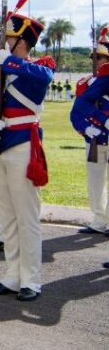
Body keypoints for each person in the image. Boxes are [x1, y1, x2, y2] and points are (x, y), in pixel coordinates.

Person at [0, 0, 52, 302]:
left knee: (26, 216)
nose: (3, 40)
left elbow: (44, 78)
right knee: (5, 216)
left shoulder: (34, 69)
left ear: (23, 40)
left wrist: (11, 62)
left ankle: (31, 280)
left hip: (22, 146)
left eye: (9, 36)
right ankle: (12, 275)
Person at [70, 27, 109, 235]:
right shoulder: (85, 84)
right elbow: (76, 113)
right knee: (95, 182)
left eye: (101, 58)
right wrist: (86, 128)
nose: (96, 62)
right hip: (94, 138)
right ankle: (98, 220)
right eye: (94, 58)